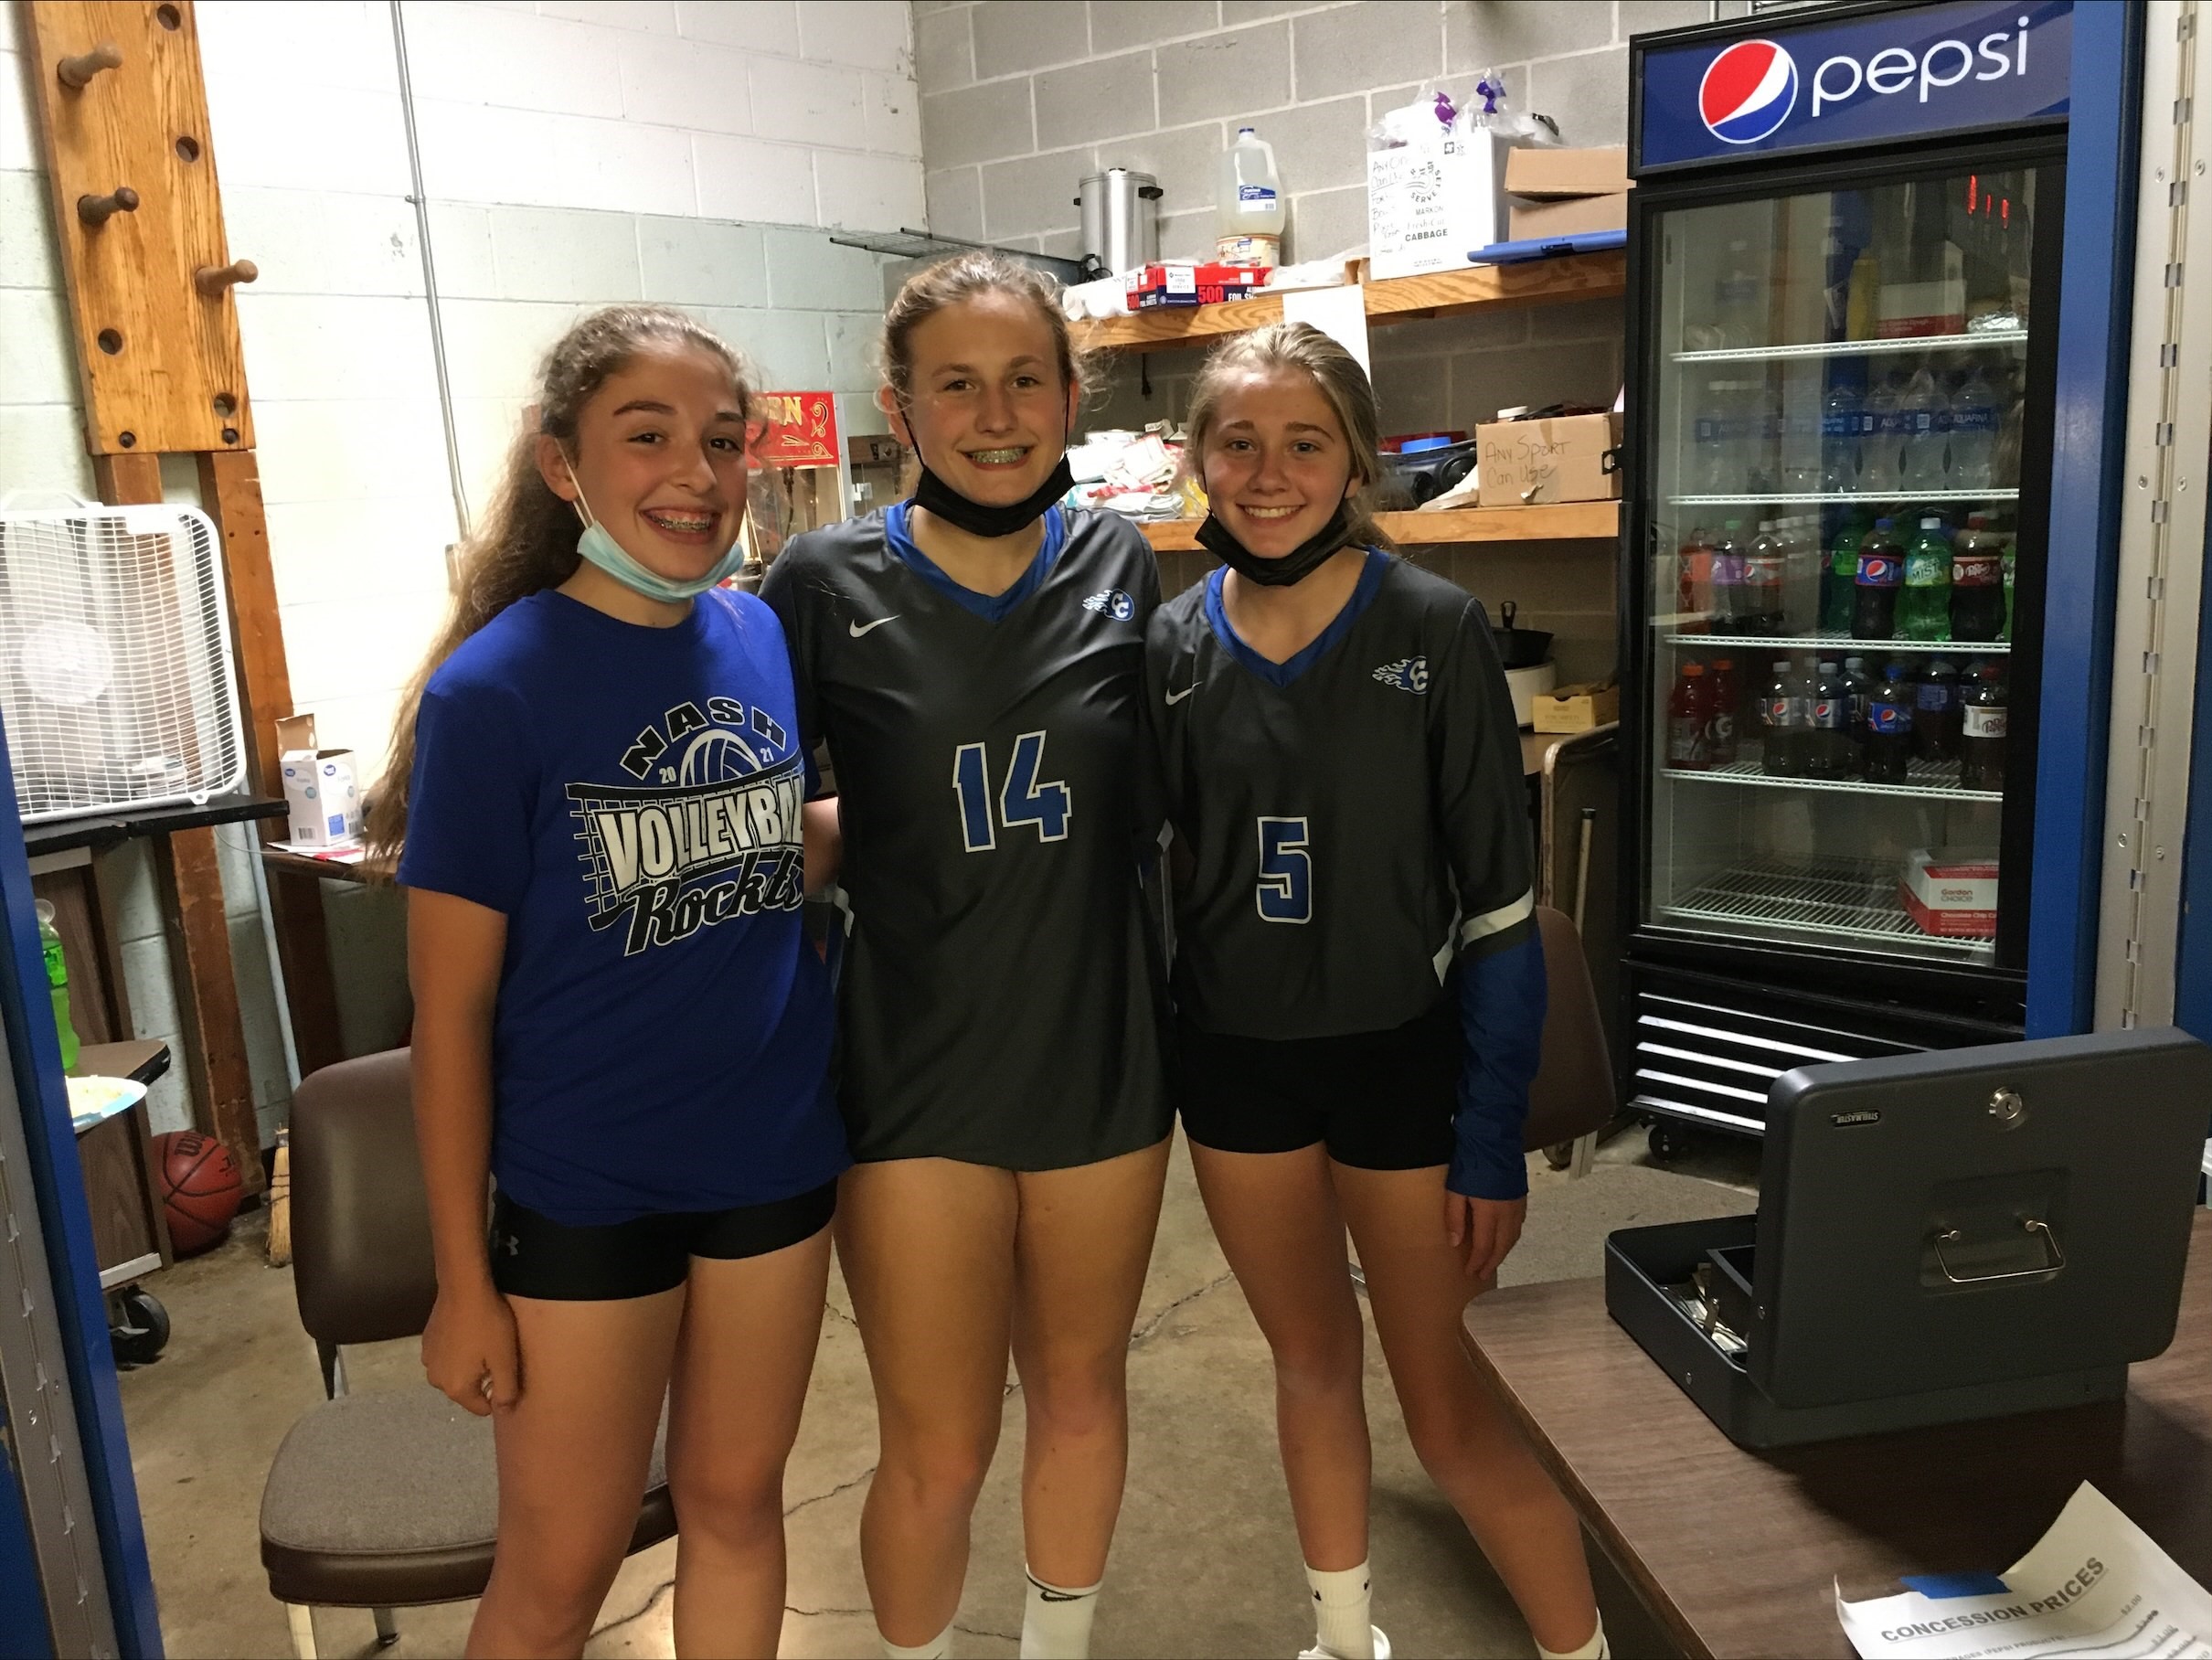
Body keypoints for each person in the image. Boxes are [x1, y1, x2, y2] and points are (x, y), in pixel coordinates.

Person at [370, 304, 848, 1659]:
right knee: (563, 1563)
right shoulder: (495, 694)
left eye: (720, 440)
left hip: (770, 1162)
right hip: (587, 1189)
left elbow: (757, 862)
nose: (693, 474)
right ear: (563, 465)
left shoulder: (756, 640)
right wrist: (463, 1275)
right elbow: (450, 1018)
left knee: (739, 1504)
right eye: (647, 438)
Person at [1145, 323, 1608, 1660]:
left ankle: (1584, 1647)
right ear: (1200, 460)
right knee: (1307, 1366)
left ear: (1354, 461)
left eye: (1304, 442)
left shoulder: (1433, 628)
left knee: (1450, 1410)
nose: (1270, 471)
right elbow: (1154, 878)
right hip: (1237, 1072)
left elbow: (1505, 913)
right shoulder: (1172, 646)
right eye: (1239, 442)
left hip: (1402, 1065)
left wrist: (1489, 1138)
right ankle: (1345, 1637)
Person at [760, 251, 1171, 1660]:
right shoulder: (817, 581)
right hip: (912, 1076)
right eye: (958, 386)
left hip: (1100, 1066)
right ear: (902, 408)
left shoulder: (1124, 558)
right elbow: (760, 805)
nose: (996, 416)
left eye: (1024, 381)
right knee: (936, 1447)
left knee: (1078, 1396)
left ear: (1070, 394)